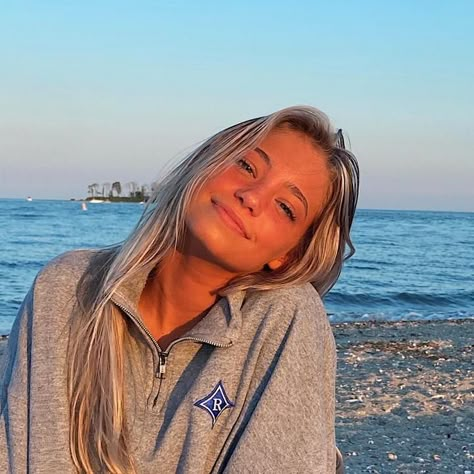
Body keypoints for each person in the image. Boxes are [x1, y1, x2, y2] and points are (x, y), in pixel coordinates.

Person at [0, 105, 359, 473]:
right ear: (206, 163)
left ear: (286, 255)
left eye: (285, 206)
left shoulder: (287, 318)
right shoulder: (67, 288)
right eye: (247, 166)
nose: (251, 196)